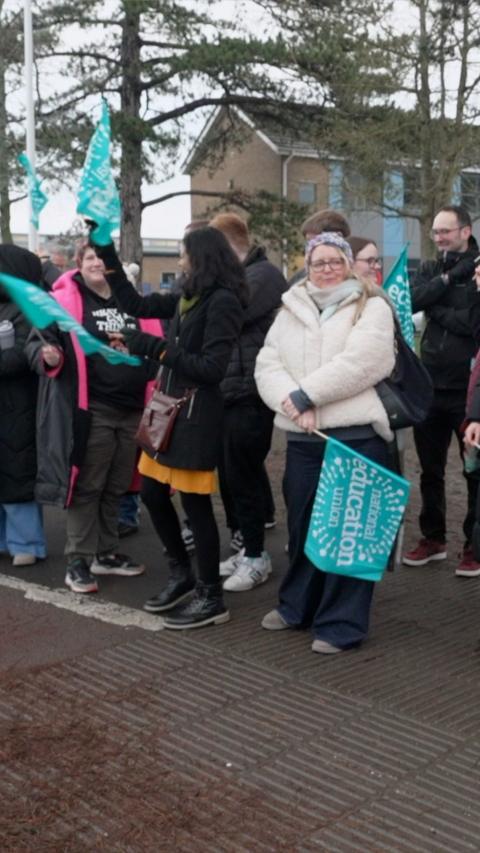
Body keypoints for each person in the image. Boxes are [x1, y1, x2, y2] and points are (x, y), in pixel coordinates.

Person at [97, 226, 247, 629]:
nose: (179, 261)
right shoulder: (188, 296)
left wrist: (153, 347)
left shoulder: (224, 302)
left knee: (196, 507)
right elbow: (134, 304)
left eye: (182, 254)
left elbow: (212, 369)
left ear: (200, 258)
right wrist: (107, 254)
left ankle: (211, 595)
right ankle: (182, 574)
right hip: (167, 412)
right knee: (151, 493)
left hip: (196, 416)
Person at [254, 232, 396, 654]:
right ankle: (298, 605)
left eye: (336, 261)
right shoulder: (290, 308)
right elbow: (268, 363)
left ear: (350, 264)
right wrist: (294, 403)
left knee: (349, 534)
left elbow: (365, 362)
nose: (327, 268)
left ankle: (341, 623)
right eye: (319, 262)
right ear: (307, 265)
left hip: (356, 439)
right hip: (304, 440)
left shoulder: (372, 307)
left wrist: (307, 394)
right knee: (303, 528)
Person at [27, 243, 161, 593]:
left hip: (134, 408)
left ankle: (107, 552)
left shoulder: (130, 300)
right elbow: (35, 344)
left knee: (118, 484)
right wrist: (48, 356)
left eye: (103, 258)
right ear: (79, 264)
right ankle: (78, 560)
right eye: (90, 258)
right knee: (88, 485)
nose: (97, 263)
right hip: (92, 409)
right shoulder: (62, 302)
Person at [208, 212, 287, 591]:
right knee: (232, 475)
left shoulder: (265, 275)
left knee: (245, 474)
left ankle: (257, 555)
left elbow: (227, 316)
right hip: (227, 390)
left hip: (251, 393)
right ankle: (246, 548)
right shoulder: (237, 278)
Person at [403, 205, 480, 575]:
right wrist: (447, 284)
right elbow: (413, 302)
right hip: (429, 385)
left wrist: (438, 309)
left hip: (468, 390)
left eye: (445, 231)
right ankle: (433, 538)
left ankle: (474, 545)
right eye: (435, 232)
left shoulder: (479, 270)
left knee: (474, 471)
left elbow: (472, 324)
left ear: (465, 231)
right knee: (429, 470)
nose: (438, 238)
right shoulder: (433, 268)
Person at [0, 245, 47, 566]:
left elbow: (21, 356)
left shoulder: (31, 309)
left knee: (19, 471)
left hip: (20, 404)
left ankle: (26, 542)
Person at [288, 208, 350, 286]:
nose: (310, 248)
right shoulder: (299, 283)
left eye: (315, 241)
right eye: (308, 243)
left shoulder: (362, 287)